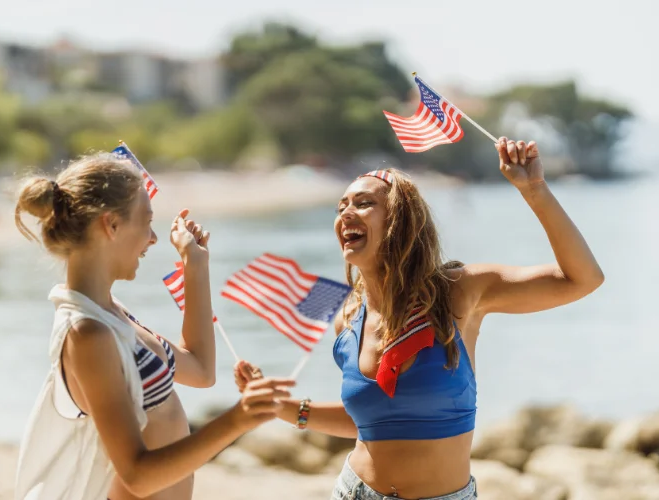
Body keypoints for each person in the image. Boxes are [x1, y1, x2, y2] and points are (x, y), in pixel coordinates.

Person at [234, 138, 604, 500]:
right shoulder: (348, 317)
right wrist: (281, 408)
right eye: (341, 206)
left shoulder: (460, 292)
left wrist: (534, 189)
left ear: (401, 219)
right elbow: (371, 421)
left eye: (364, 204)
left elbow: (582, 279)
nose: (346, 213)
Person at [13, 152, 293, 500]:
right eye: (146, 221)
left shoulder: (112, 314)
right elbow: (137, 475)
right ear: (111, 224)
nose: (153, 238)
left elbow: (200, 370)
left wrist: (195, 267)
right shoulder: (88, 333)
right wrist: (237, 420)